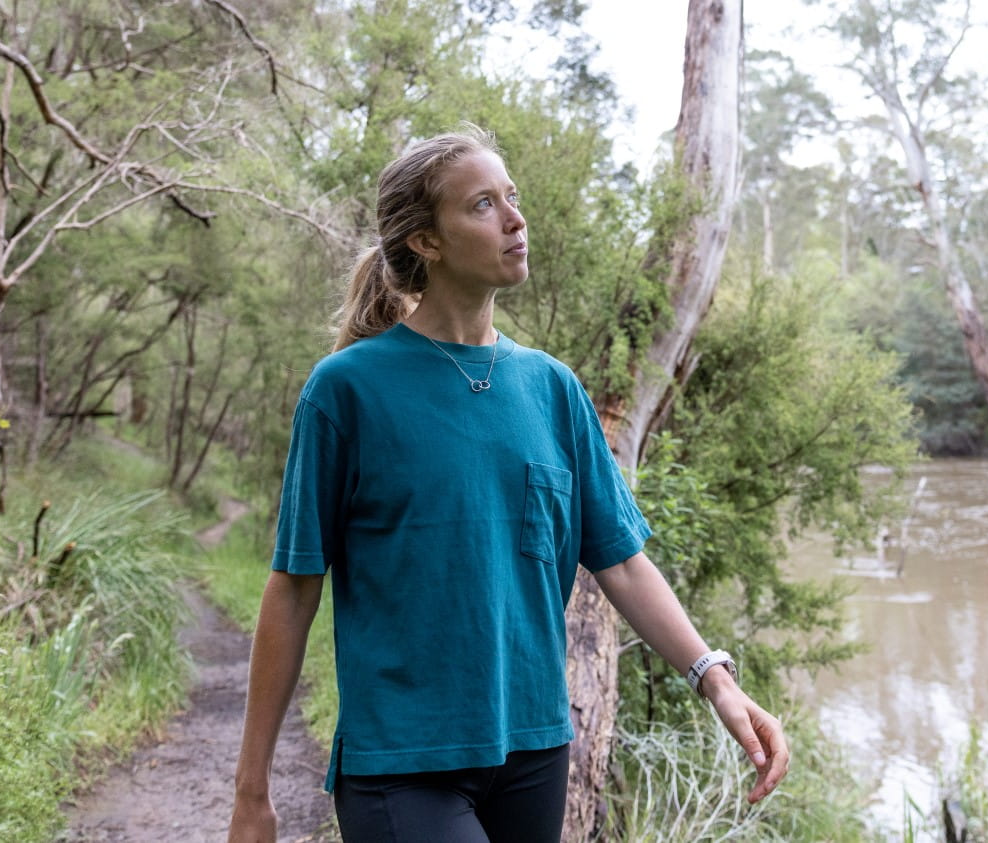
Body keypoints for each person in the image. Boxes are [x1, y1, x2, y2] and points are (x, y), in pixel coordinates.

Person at [228, 124, 789, 843]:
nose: (516, 220)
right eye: (484, 204)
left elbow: (618, 559)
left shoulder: (551, 388)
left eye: (513, 198)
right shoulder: (347, 391)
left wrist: (716, 678)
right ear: (426, 240)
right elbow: (294, 585)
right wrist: (253, 792)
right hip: (403, 759)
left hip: (533, 751)